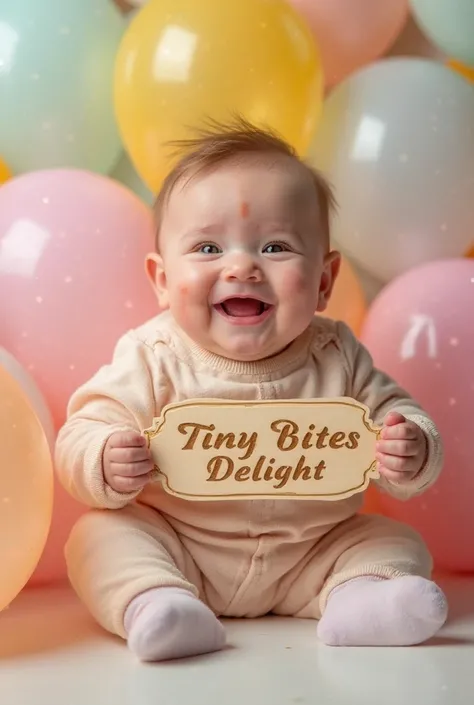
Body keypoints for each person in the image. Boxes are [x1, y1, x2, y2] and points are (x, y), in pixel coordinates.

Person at [55, 118, 447, 662]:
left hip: (312, 551)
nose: (242, 266)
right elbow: (83, 428)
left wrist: (411, 447)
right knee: (98, 538)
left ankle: (358, 600)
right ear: (163, 280)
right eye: (209, 248)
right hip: (181, 545)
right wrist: (103, 457)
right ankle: (158, 605)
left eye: (276, 246)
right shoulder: (152, 356)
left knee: (394, 541)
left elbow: (396, 412)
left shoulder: (337, 354)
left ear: (325, 282)